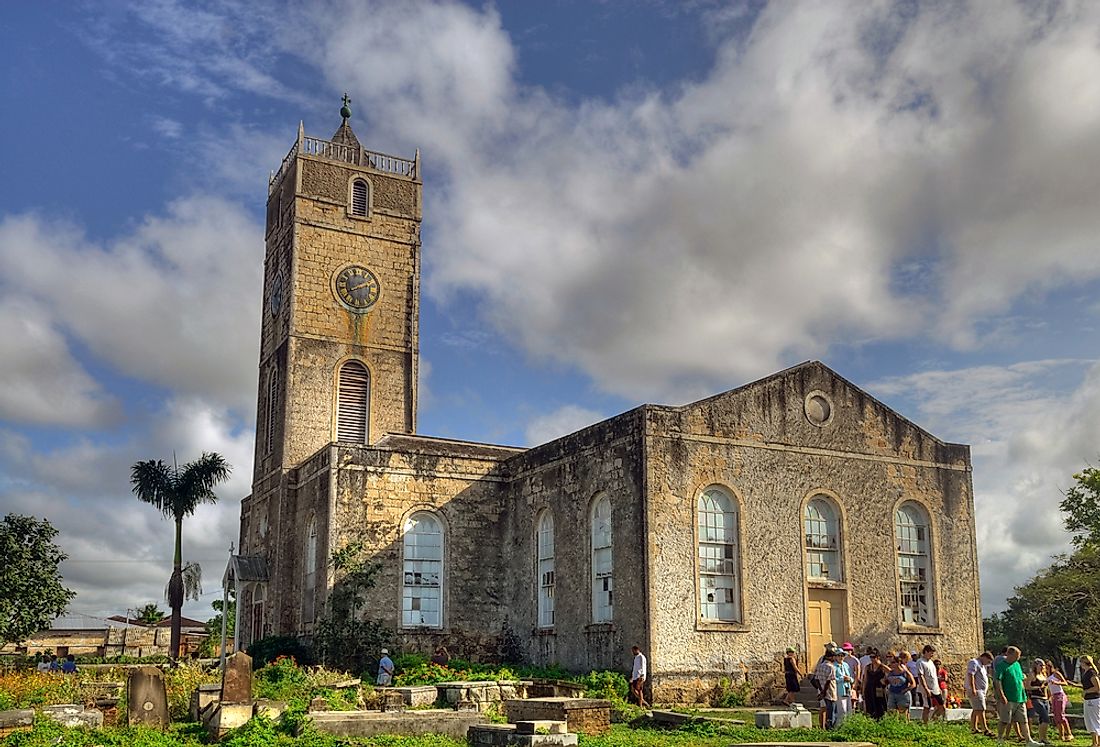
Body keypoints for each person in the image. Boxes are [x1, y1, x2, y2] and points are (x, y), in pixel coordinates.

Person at [994, 645, 1042, 747]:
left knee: (1023, 720)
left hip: (1020, 697)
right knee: (1004, 720)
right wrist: (1001, 695)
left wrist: (1025, 693)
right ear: (1009, 654)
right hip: (1008, 698)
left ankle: (1029, 741)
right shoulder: (1001, 666)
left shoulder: (1017, 665)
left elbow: (1020, 679)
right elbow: (997, 681)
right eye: (1016, 656)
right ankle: (999, 738)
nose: (1018, 658)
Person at [965, 651, 995, 736]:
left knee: (976, 709)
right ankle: (985, 729)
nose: (987, 663)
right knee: (981, 709)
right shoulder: (974, 662)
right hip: (977, 690)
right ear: (984, 657)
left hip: (981, 691)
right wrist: (973, 688)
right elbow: (971, 675)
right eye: (988, 661)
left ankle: (974, 728)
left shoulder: (981, 665)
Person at [1047, 660, 1077, 741]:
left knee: (1060, 715)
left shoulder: (1056, 674)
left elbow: (1065, 682)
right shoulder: (1046, 676)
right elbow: (1049, 688)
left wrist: (1056, 682)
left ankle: (1069, 733)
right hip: (1053, 696)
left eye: (1046, 667)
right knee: (1056, 716)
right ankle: (1061, 735)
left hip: (1060, 695)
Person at [917, 645, 945, 723]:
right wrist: (926, 689)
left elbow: (934, 676)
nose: (932, 655)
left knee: (941, 706)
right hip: (927, 689)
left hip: (935, 688)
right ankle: (925, 724)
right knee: (927, 707)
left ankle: (933, 720)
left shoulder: (931, 662)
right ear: (926, 651)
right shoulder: (920, 662)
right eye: (931, 653)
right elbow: (921, 676)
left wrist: (938, 687)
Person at [885, 651, 917, 720]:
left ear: (898, 663)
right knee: (891, 713)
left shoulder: (905, 673)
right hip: (892, 694)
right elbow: (887, 681)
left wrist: (905, 690)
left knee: (903, 715)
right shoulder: (891, 672)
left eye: (893, 662)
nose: (891, 664)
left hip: (902, 695)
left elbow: (913, 684)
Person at [1027, 658, 1051, 744]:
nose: (1042, 667)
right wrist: (1037, 687)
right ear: (1036, 665)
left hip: (1045, 698)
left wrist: (1049, 696)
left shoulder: (1044, 674)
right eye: (1040, 665)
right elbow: (1027, 687)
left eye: (1043, 666)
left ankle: (1043, 737)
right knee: (1046, 718)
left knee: (1043, 719)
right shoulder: (1032, 674)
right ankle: (1042, 738)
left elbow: (1046, 687)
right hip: (1036, 698)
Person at [814, 648, 839, 729]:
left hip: (822, 690)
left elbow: (816, 679)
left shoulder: (820, 666)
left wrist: (821, 691)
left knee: (826, 709)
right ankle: (830, 727)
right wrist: (824, 691)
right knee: (831, 711)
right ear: (831, 657)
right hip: (830, 691)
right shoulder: (831, 667)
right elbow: (829, 680)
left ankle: (826, 725)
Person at [862, 649, 888, 720]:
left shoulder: (882, 667)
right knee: (870, 707)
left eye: (874, 657)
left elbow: (891, 673)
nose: (872, 659)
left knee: (880, 706)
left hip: (879, 689)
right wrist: (863, 691)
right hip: (869, 689)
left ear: (878, 657)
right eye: (871, 657)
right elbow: (865, 680)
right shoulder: (868, 667)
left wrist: (885, 681)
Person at [1082, 654, 1100, 747]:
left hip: (1093, 700)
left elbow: (1097, 687)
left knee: (1093, 721)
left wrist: (1086, 691)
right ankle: (1097, 742)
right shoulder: (1086, 672)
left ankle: (1095, 742)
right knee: (1091, 721)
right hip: (1089, 699)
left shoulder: (1091, 673)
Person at [834, 648, 854, 725]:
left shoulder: (846, 665)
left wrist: (850, 679)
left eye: (842, 655)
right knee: (841, 710)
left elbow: (851, 676)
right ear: (836, 657)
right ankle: (839, 726)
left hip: (847, 689)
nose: (840, 657)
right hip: (839, 690)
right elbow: (833, 679)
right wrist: (842, 679)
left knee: (849, 709)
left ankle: (848, 725)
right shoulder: (834, 666)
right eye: (839, 655)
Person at [842, 643, 862, 713]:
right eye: (845, 650)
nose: (847, 651)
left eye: (848, 650)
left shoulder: (855, 660)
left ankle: (852, 712)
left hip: (852, 681)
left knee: (852, 699)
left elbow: (858, 672)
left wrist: (855, 683)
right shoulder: (842, 659)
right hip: (843, 681)